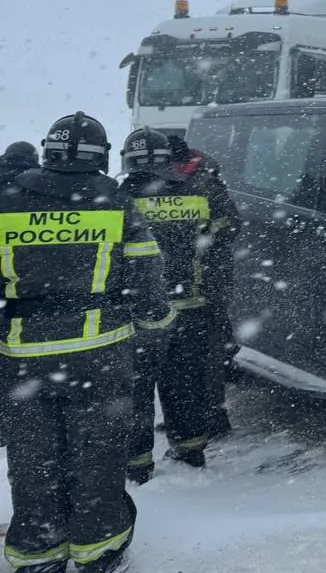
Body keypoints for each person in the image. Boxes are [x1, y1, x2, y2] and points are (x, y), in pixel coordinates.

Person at [0, 112, 172, 573]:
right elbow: (146, 274)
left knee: (33, 456)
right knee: (96, 453)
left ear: (49, 149)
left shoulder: (8, 200)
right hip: (100, 353)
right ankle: (98, 549)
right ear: (101, 155)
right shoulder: (114, 200)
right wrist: (157, 321)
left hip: (24, 358)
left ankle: (37, 550)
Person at [117, 129, 239, 484]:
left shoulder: (118, 199)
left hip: (138, 314)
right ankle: (191, 450)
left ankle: (137, 465)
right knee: (185, 384)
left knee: (136, 392)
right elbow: (227, 234)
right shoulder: (199, 193)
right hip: (191, 307)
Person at [166, 133, 241, 440]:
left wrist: (203, 233)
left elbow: (231, 222)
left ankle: (212, 415)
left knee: (208, 352)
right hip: (191, 281)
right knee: (188, 355)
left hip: (210, 281)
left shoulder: (204, 180)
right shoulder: (184, 179)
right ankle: (189, 415)